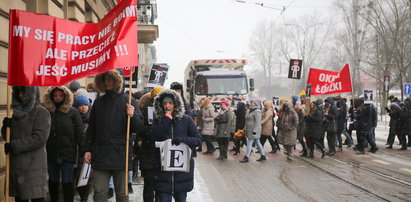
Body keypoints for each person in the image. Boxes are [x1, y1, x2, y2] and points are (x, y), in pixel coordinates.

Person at [83, 70, 143, 202]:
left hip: (121, 155)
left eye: (111, 79)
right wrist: (87, 149)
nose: (108, 82)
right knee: (99, 194)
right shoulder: (98, 102)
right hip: (100, 155)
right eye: (105, 79)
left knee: (122, 195)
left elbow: (139, 128)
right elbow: (91, 128)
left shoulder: (128, 100)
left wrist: (132, 116)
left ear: (118, 81)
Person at [149, 89, 201, 202]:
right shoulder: (158, 120)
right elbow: (152, 138)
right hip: (163, 174)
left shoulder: (186, 120)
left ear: (175, 104)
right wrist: (165, 121)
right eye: (164, 103)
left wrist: (182, 140)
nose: (167, 106)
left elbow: (197, 140)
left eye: (170, 103)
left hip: (181, 173)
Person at [1, 86, 51, 202]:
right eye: (18, 92)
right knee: (19, 199)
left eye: (22, 92)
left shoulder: (41, 112)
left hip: (34, 168)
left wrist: (14, 145)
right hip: (17, 168)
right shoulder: (17, 113)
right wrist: (6, 126)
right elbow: (9, 136)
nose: (19, 95)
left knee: (36, 199)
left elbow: (39, 138)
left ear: (31, 93)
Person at [43, 86, 84, 202]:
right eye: (55, 96)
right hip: (51, 152)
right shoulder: (47, 111)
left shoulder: (73, 112)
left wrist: (84, 150)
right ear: (51, 97)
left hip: (68, 153)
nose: (58, 98)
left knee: (67, 181)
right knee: (53, 181)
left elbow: (80, 133)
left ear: (65, 97)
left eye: (60, 96)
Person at [137, 86, 164, 202]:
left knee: (160, 185)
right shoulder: (145, 109)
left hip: (162, 152)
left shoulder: (169, 110)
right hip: (148, 150)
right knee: (149, 183)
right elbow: (140, 128)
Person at [74, 95, 92, 202]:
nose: (84, 107)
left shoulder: (92, 119)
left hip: (88, 151)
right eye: (81, 105)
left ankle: (84, 197)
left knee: (87, 176)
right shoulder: (74, 119)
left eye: (85, 105)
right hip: (76, 152)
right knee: (77, 176)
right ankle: (82, 195)